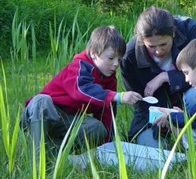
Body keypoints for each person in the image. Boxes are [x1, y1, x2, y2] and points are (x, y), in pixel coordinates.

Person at [20, 25, 142, 159]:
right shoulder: (78, 67)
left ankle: (54, 154)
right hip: (40, 115)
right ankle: (37, 158)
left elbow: (107, 113)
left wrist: (107, 147)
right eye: (111, 58)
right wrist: (117, 96)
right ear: (94, 53)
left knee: (98, 129)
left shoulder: (109, 79)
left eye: (119, 59)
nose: (115, 64)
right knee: (42, 100)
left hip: (67, 120)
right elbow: (81, 90)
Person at [120, 6, 196, 148]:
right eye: (151, 46)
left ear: (173, 33)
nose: (158, 51)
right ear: (142, 40)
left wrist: (166, 76)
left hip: (189, 100)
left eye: (163, 44)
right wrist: (164, 115)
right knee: (149, 147)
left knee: (195, 94)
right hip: (155, 111)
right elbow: (141, 103)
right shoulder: (129, 57)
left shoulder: (190, 30)